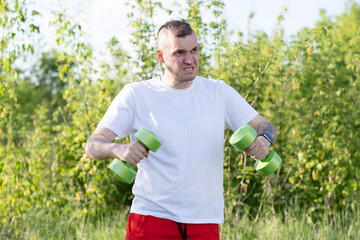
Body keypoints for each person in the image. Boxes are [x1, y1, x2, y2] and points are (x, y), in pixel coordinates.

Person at [85, 20, 278, 240]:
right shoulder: (136, 95)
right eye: (179, 52)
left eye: (194, 50)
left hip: (204, 221)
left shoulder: (218, 92)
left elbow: (266, 126)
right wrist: (119, 150)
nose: (190, 59)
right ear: (160, 56)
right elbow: (92, 145)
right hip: (151, 217)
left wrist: (264, 140)